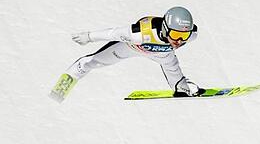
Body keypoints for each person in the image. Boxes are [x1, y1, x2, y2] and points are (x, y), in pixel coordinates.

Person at [50, 6, 204, 102]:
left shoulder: (191, 35)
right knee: (89, 63)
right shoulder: (140, 34)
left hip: (162, 53)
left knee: (172, 66)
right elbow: (113, 33)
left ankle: (181, 87)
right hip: (130, 48)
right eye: (176, 34)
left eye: (184, 37)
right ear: (164, 28)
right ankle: (58, 92)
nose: (179, 41)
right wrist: (89, 36)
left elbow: (179, 40)